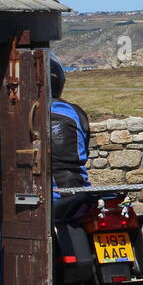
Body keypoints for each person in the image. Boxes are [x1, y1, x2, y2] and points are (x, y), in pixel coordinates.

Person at [49, 54, 91, 212]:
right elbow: (85, 148)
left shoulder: (33, 113)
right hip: (80, 187)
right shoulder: (75, 111)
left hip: (53, 192)